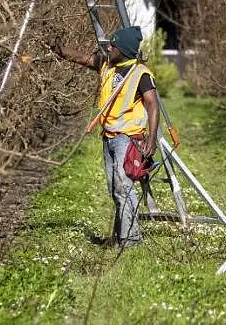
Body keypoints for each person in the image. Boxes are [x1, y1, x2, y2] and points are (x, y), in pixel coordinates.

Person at [50, 26, 159, 247]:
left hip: (128, 139)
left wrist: (152, 139)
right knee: (115, 189)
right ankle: (124, 237)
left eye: (113, 45)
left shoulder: (141, 74)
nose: (108, 47)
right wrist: (60, 50)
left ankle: (130, 240)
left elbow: (153, 105)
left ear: (124, 50)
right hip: (108, 137)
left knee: (123, 188)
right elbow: (84, 58)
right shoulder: (107, 65)